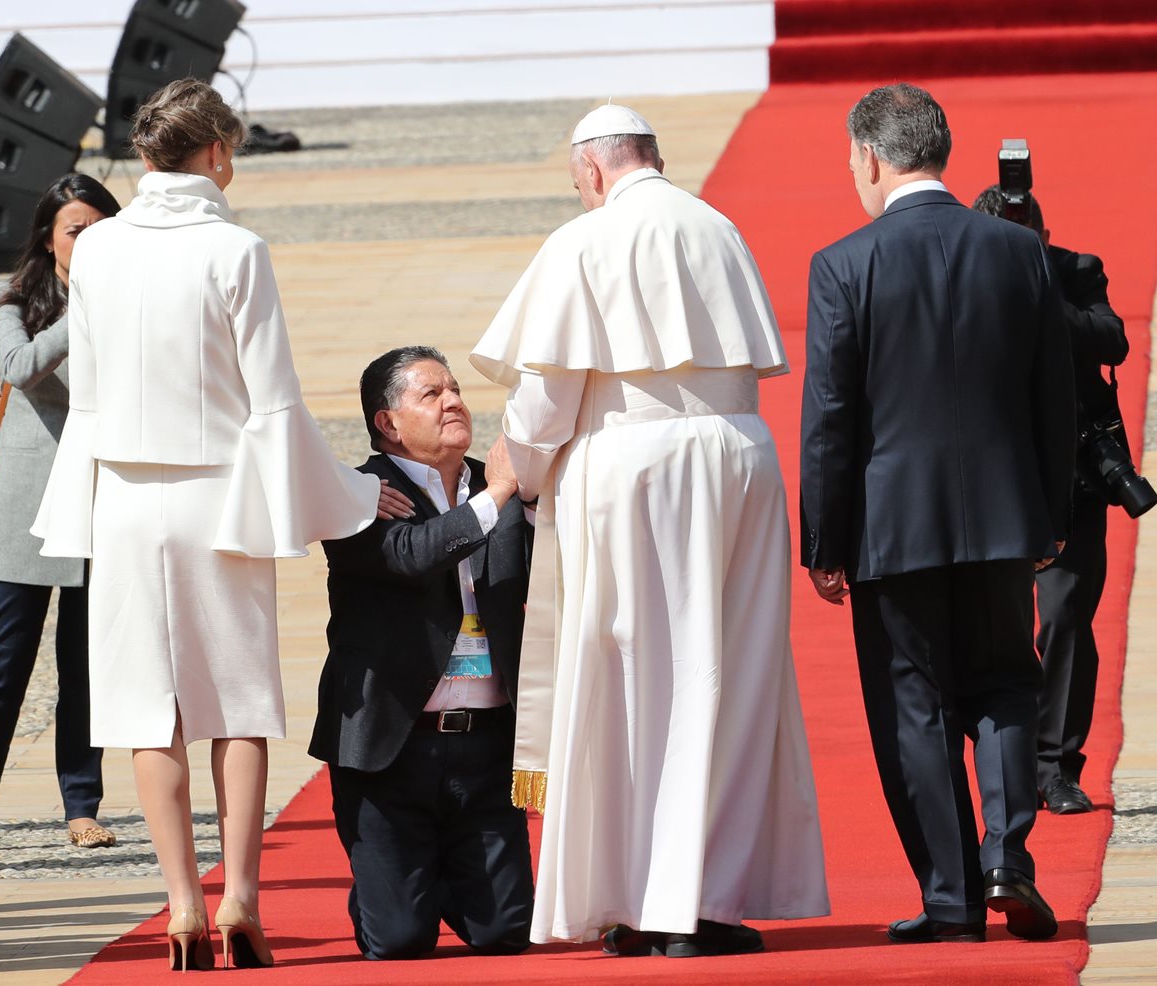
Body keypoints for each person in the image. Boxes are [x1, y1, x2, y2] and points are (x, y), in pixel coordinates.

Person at [30, 80, 409, 971]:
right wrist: (353, 495)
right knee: (237, 703)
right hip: (219, 496)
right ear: (218, 153)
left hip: (124, 495)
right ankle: (239, 895)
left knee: (146, 708)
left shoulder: (99, 248)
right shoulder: (236, 248)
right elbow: (273, 401)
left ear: (146, 155)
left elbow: (89, 390)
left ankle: (180, 905)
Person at [471, 104, 829, 957]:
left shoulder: (583, 240)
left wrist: (520, 472)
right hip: (738, 457)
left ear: (592, 171)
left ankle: (636, 899)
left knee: (624, 675)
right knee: (728, 672)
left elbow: (545, 401)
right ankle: (702, 901)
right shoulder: (719, 228)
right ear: (653, 159)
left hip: (630, 465)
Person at [800, 83, 1075, 944]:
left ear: (871, 157)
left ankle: (952, 896)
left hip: (892, 527)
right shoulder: (1018, 250)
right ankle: (1008, 857)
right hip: (1004, 517)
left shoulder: (843, 263)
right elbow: (1055, 396)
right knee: (1006, 680)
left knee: (912, 704)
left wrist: (824, 540)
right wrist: (1051, 517)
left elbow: (831, 418)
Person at [309, 346, 534, 960]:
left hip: (487, 747)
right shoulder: (358, 493)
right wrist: (499, 495)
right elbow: (409, 554)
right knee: (400, 941)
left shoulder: (501, 488)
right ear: (388, 422)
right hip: (392, 748)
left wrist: (531, 499)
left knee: (505, 933)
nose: (453, 402)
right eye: (431, 394)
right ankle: (397, 890)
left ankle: (442, 878)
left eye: (455, 389)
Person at [0, 174, 121, 856]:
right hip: (25, 500)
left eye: (101, 229)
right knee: (6, 660)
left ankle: (82, 805)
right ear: (49, 239)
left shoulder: (133, 300)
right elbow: (20, 365)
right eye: (75, 230)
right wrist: (82, 309)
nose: (89, 241)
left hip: (99, 498)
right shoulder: (13, 297)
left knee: (87, 664)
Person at [972, 185, 1129, 815]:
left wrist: (1039, 293)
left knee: (1064, 617)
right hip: (991, 480)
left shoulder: (1075, 272)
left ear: (1043, 237)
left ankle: (1055, 766)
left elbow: (1112, 340)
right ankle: (1002, 759)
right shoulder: (964, 278)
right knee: (992, 624)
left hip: (1072, 479)